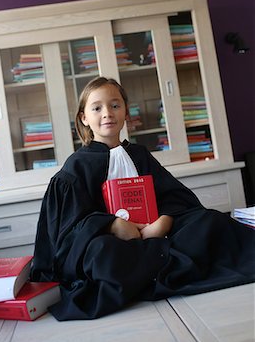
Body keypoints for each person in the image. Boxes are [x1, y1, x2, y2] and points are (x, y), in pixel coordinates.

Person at [31, 77, 255, 321]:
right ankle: (163, 269)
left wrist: (164, 221)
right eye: (97, 108)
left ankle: (143, 274)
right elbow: (69, 228)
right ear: (84, 118)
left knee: (210, 221)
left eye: (115, 105)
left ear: (126, 112)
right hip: (113, 243)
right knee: (101, 253)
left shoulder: (139, 154)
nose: (107, 113)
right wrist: (111, 225)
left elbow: (175, 196)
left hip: (157, 236)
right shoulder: (77, 166)